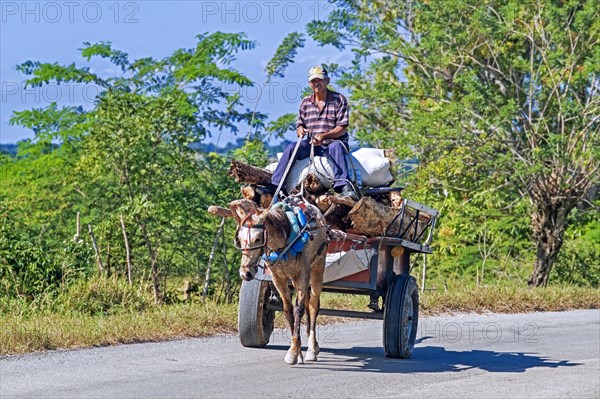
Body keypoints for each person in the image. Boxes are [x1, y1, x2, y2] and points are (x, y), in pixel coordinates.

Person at [270, 66, 358, 200]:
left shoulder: (338, 99)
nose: (316, 83)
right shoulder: (305, 102)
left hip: (332, 143)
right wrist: (300, 130)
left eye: (320, 80)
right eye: (313, 81)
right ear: (309, 83)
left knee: (336, 147)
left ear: (327, 81)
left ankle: (343, 185)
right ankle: (276, 184)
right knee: (293, 147)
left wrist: (324, 136)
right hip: (312, 144)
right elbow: (300, 124)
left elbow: (342, 127)